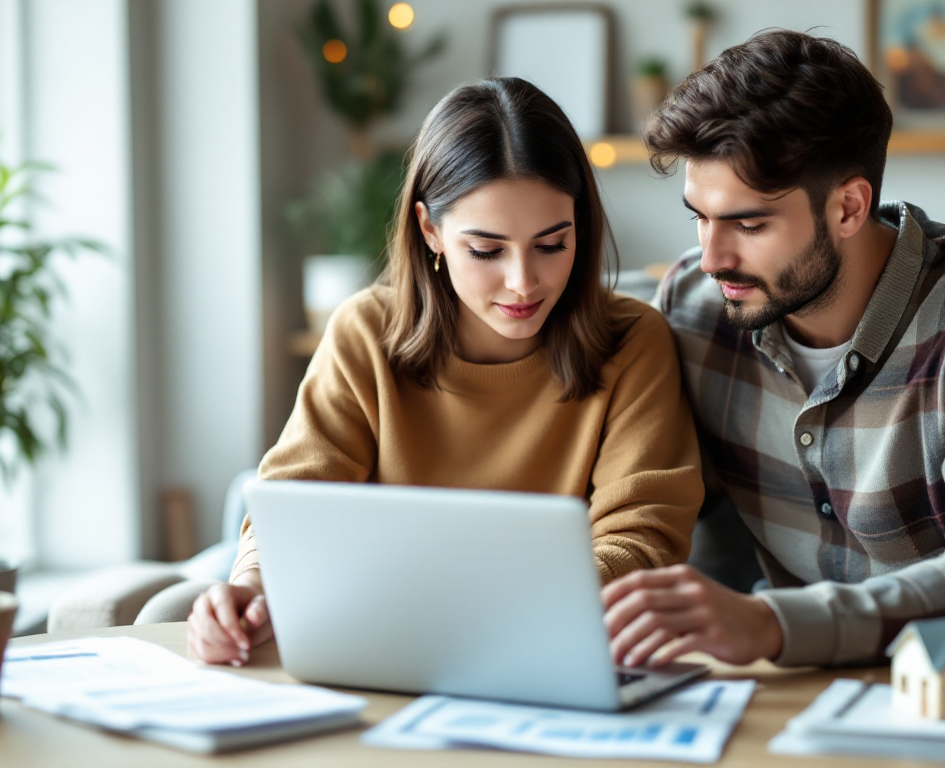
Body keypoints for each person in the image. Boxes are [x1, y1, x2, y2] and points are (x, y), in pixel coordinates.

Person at [602, 30, 945, 700]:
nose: (712, 258)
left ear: (849, 207)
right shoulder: (693, 306)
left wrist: (772, 623)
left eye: (748, 225)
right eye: (699, 218)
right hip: (811, 678)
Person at [189, 77, 703, 665]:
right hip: (377, 644)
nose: (523, 282)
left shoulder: (634, 343)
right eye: (486, 250)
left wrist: (515, 607)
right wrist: (251, 590)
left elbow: (643, 537)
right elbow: (293, 503)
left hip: (545, 647)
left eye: (551, 244)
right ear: (430, 230)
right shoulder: (365, 332)